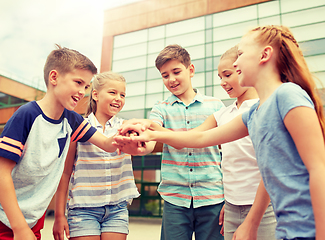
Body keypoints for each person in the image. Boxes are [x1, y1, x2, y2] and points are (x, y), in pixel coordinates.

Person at [118, 25, 325, 240]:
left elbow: (319, 169)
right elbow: (198, 137)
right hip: (285, 228)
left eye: (241, 54)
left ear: (264, 55)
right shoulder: (252, 113)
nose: (235, 62)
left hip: (306, 228)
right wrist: (149, 130)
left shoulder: (287, 95)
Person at [0, 45, 124, 240]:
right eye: (78, 82)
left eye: (86, 86)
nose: (82, 91)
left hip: (33, 219)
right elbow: (1, 173)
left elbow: (108, 144)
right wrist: (19, 228)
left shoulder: (72, 120)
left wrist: (134, 131)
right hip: (6, 218)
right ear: (54, 77)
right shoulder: (26, 115)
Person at [119, 44, 225, 240]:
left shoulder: (215, 106)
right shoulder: (161, 108)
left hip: (213, 197)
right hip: (175, 199)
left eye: (176, 72)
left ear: (190, 70)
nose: (171, 79)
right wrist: (138, 146)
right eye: (165, 75)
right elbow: (151, 139)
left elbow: (227, 153)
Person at [52, 72, 140, 240]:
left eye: (122, 95)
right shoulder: (79, 127)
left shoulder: (127, 127)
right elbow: (64, 173)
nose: (118, 98)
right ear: (95, 94)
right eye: (112, 92)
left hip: (117, 209)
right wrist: (59, 215)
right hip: (83, 211)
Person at [213, 45, 276, 240]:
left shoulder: (266, 107)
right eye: (220, 78)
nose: (223, 82)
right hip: (232, 207)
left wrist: (251, 220)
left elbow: (271, 168)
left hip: (267, 208)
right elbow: (195, 136)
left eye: (227, 74)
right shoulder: (223, 114)